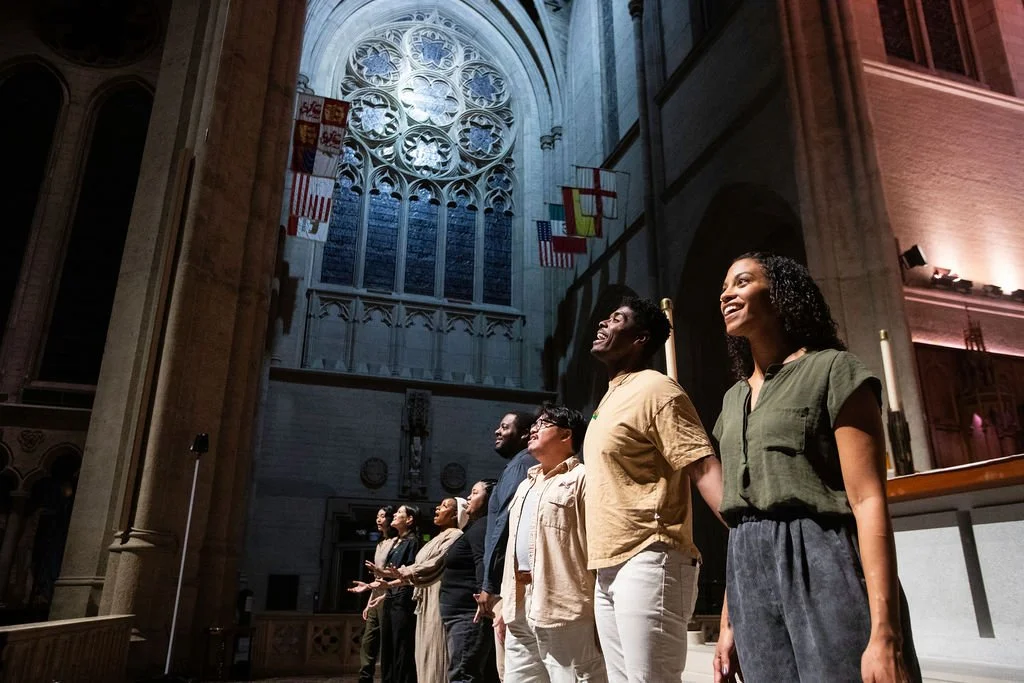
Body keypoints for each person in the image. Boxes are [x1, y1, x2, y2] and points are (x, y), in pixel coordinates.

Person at [711, 253, 920, 683]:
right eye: (724, 287)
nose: (726, 294)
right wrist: (728, 622)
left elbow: (866, 499)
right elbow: (741, 517)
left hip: (821, 557)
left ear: (782, 295)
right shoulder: (733, 400)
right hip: (748, 571)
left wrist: (886, 630)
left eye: (742, 282)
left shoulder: (832, 369)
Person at [585, 295, 724, 683]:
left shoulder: (657, 390)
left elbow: (702, 465)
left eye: (616, 319)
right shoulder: (611, 396)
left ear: (640, 339)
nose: (602, 324)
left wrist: (747, 530)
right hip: (608, 564)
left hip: (650, 555)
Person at [501, 404, 607, 683]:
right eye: (534, 424)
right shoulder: (525, 484)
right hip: (519, 602)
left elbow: (598, 544)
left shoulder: (582, 478)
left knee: (573, 677)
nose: (533, 429)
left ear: (566, 435)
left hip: (564, 605)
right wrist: (504, 602)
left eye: (543, 424)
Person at [366, 498, 466, 683]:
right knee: (421, 650)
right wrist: (389, 585)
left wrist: (395, 573)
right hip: (422, 598)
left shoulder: (455, 535)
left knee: (433, 648)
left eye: (444, 506)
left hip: (436, 596)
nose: (438, 508)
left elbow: (431, 565)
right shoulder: (435, 538)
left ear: (455, 515)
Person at [476, 410, 538, 679]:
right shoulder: (518, 464)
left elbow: (503, 525)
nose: (497, 431)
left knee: (512, 670)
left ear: (525, 434)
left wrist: (490, 584)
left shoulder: (521, 465)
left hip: (509, 586)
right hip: (509, 583)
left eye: (504, 427)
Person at [443, 480, 500, 682]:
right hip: (458, 615)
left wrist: (485, 592)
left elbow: (482, 561)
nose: (468, 497)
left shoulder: (482, 526)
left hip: (468, 615)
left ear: (488, 500)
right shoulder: (474, 527)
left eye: (475, 493)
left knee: (463, 674)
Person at [381, 504, 422, 683]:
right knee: (388, 645)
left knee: (401, 645)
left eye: (399, 513)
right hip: (391, 597)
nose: (395, 515)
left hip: (403, 599)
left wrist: (387, 580)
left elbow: (409, 573)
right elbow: (392, 572)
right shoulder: (396, 541)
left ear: (410, 519)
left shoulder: (413, 542)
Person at [355, 506, 395, 683]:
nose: (378, 520)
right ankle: (365, 678)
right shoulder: (380, 543)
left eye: (382, 516)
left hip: (390, 595)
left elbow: (392, 574)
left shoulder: (397, 543)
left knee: (386, 643)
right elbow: (377, 576)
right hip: (376, 595)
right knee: (368, 641)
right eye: (377, 516)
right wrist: (369, 601)